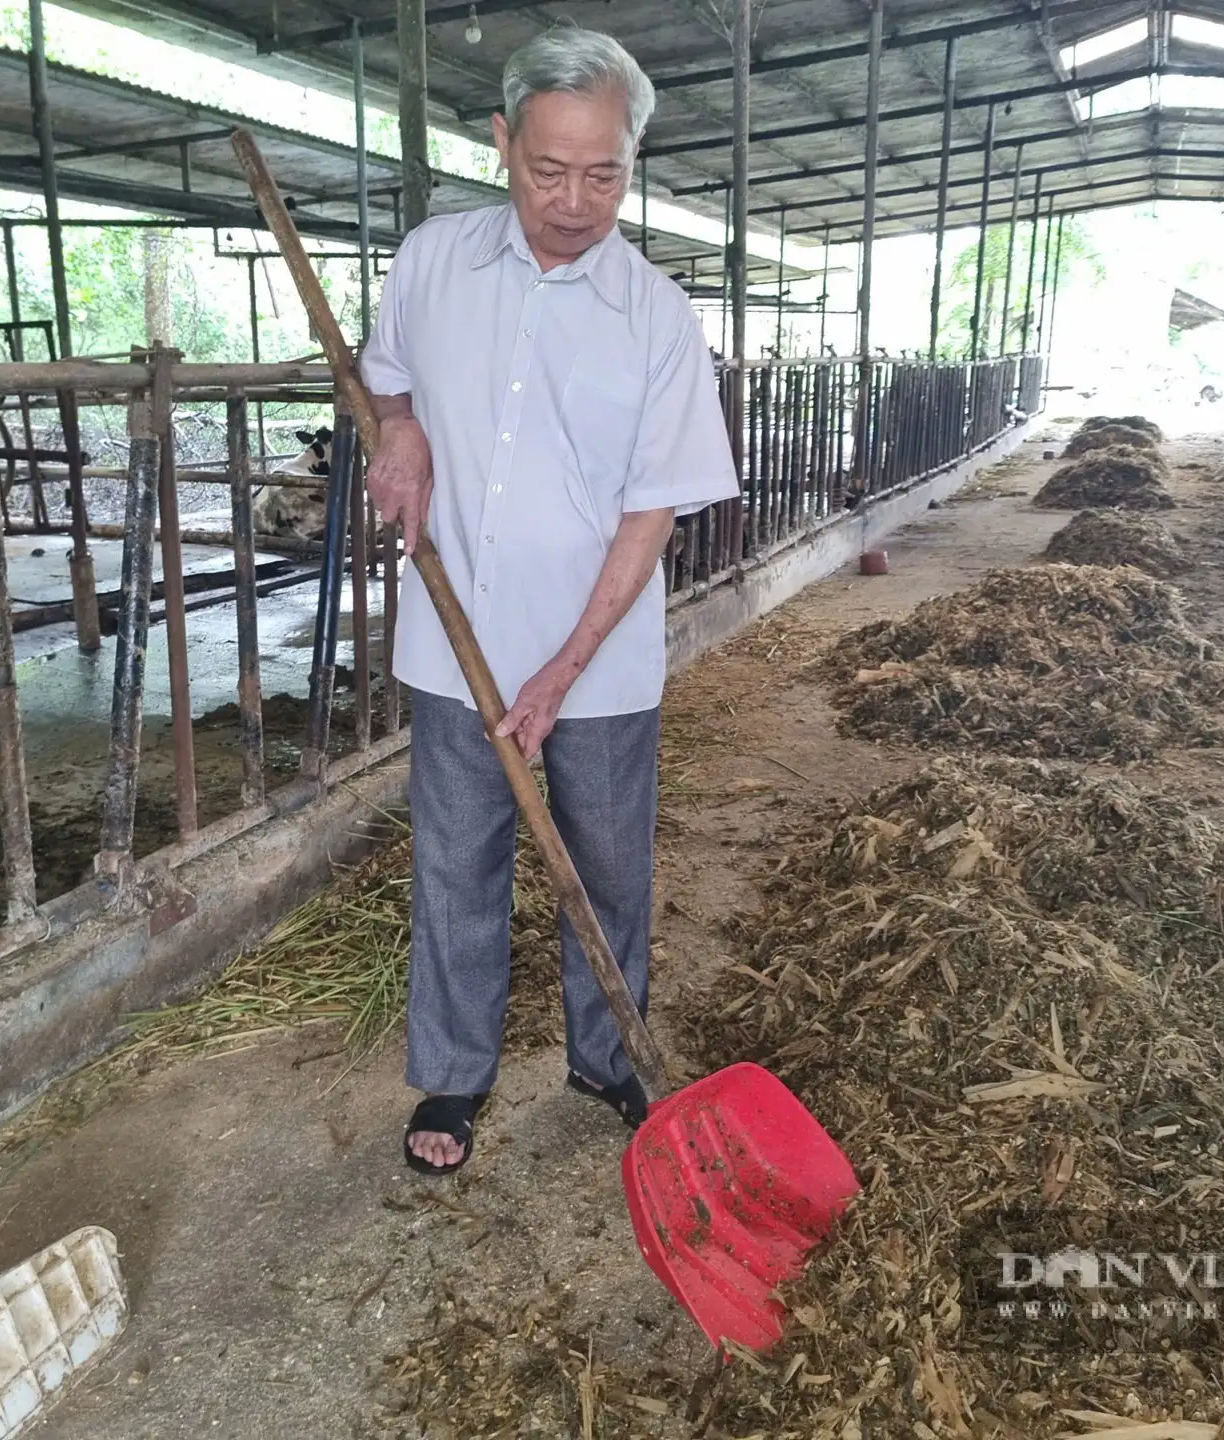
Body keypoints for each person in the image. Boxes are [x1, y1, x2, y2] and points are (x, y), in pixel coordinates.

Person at [358, 28, 740, 1175]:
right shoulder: (430, 261)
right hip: (454, 642)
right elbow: (386, 374)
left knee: (609, 866)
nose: (575, 201)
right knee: (457, 861)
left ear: (633, 159)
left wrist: (562, 670)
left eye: (605, 174)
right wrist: (402, 433)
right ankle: (454, 1075)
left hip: (600, 661)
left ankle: (603, 1052)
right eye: (547, 170)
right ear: (501, 143)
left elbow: (650, 515)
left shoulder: (659, 320)